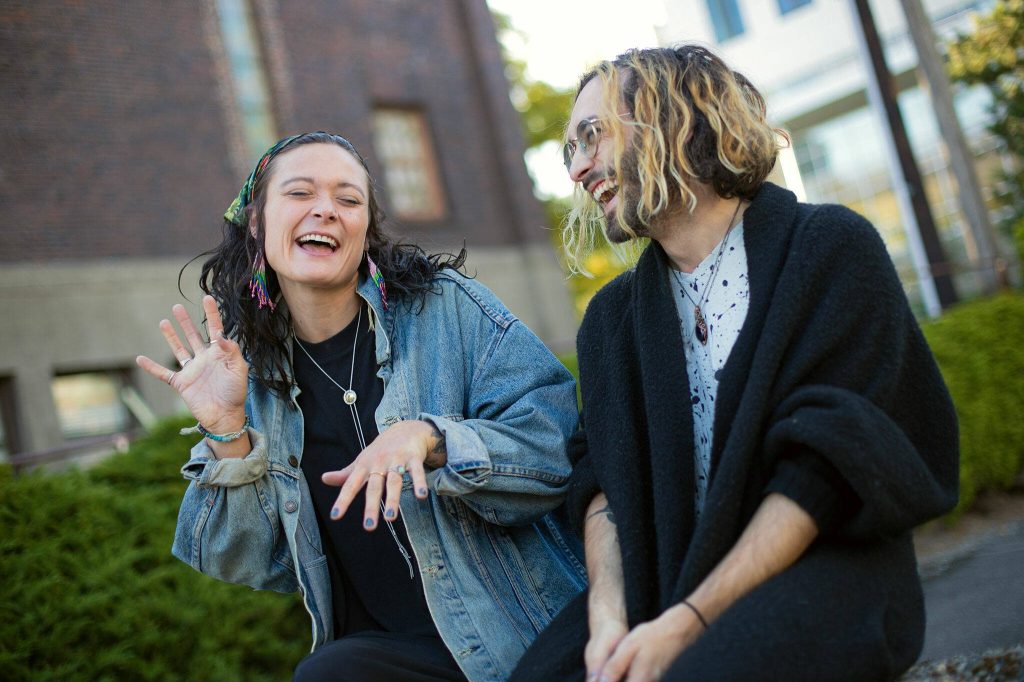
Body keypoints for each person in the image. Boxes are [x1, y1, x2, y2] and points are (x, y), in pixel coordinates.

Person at [511, 46, 959, 682]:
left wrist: (689, 621)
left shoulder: (830, 249)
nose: (579, 168)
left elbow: (824, 469)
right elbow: (601, 483)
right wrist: (609, 619)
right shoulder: (612, 320)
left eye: (593, 135)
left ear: (675, 118)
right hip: (663, 579)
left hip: (823, 570)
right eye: (571, 150)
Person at [136, 131, 586, 682]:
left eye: (348, 199)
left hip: (525, 633)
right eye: (300, 193)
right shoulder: (246, 373)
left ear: (364, 230)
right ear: (257, 222)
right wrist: (228, 433)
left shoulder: (447, 309)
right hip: (391, 658)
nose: (325, 210)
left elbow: (554, 449)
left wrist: (433, 439)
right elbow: (251, 561)